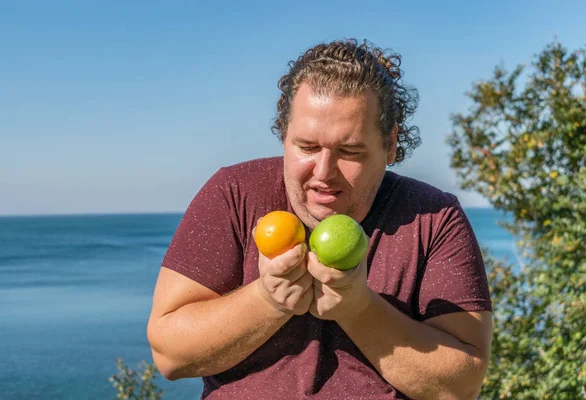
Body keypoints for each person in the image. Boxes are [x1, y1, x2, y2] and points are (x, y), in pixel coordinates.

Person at [147, 38, 493, 400]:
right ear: (284, 136)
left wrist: (359, 308)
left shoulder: (433, 217)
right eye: (307, 147)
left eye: (350, 151)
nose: (324, 172)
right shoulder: (233, 193)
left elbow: (461, 385)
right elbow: (170, 355)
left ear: (390, 145)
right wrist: (267, 300)